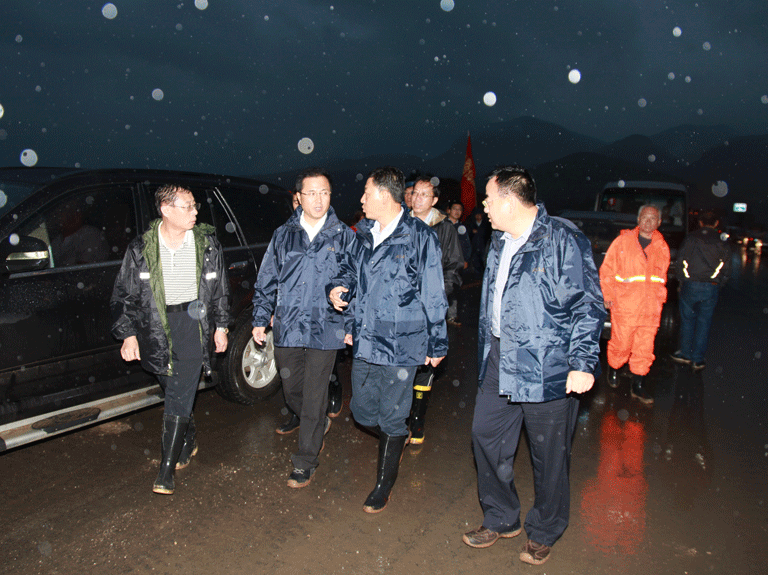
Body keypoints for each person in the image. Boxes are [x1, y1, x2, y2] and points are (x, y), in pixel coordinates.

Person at [463, 166, 604, 566]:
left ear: (509, 201)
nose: (484, 206)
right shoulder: (498, 240)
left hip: (547, 364)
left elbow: (587, 304)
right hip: (499, 357)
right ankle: (501, 516)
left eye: (489, 199)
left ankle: (544, 530)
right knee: (485, 435)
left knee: (549, 455)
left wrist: (582, 362)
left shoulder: (562, 239)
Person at [329, 166, 448, 513]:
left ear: (384, 195)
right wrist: (337, 289)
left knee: (392, 417)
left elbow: (433, 294)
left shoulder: (420, 238)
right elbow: (348, 273)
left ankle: (383, 485)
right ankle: (397, 435)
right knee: (362, 411)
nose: (361, 200)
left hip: (402, 344)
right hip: (365, 339)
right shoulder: (363, 234)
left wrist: (437, 343)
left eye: (366, 193)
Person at [111, 184, 230, 495]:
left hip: (193, 324)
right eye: (187, 206)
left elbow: (220, 291)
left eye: (195, 206)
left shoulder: (207, 245)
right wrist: (128, 334)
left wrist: (221, 327)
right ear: (166, 210)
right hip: (156, 327)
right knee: (172, 387)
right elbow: (124, 295)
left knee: (177, 394)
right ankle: (188, 436)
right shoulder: (141, 248)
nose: (195, 212)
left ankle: (166, 469)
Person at [252, 167, 355, 488]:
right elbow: (267, 278)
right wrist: (260, 317)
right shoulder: (284, 235)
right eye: (311, 193)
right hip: (289, 323)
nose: (319, 199)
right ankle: (317, 421)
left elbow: (354, 276)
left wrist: (344, 301)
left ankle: (305, 460)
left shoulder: (344, 235)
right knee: (291, 387)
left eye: (324, 193)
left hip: (327, 325)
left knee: (314, 394)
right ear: (298, 197)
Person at [408, 176, 464, 445]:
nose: (417, 198)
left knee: (425, 365)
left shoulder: (445, 228)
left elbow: (453, 267)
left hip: (429, 309)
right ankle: (398, 420)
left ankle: (417, 421)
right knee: (402, 365)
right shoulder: (400, 222)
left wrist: (438, 296)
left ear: (435, 200)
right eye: (415, 193)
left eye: (424, 194)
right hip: (402, 309)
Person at [600, 205, 670, 405]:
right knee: (621, 343)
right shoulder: (622, 242)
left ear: (659, 222)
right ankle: (614, 368)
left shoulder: (662, 246)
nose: (648, 221)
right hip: (626, 305)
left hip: (651, 308)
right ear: (638, 219)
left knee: (644, 348)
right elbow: (607, 270)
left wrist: (659, 298)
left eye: (653, 218)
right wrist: (608, 294)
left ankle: (638, 385)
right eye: (645, 217)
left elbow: (661, 278)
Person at [670, 210, 731, 371]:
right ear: (716, 223)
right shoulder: (721, 241)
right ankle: (697, 359)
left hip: (690, 285)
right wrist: (719, 283)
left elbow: (681, 261)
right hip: (711, 286)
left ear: (700, 222)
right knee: (704, 322)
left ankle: (685, 353)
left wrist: (682, 280)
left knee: (687, 320)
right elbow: (726, 267)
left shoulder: (691, 238)